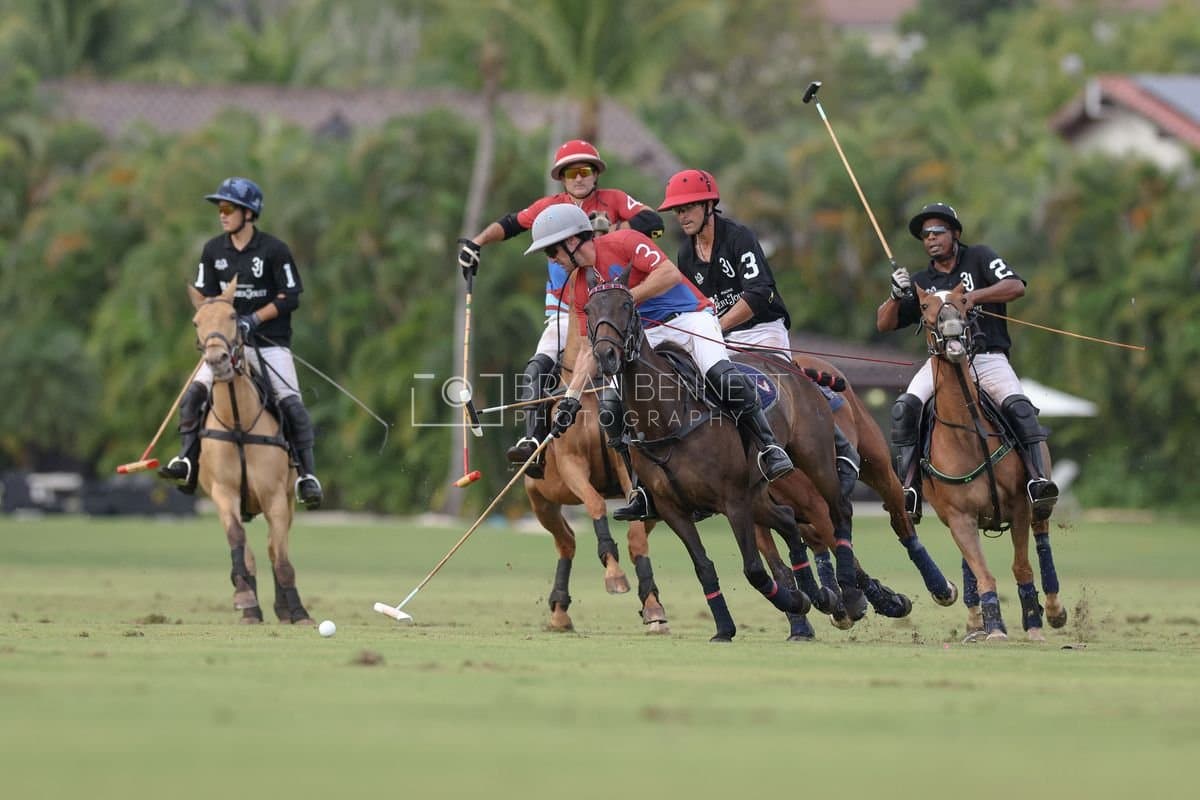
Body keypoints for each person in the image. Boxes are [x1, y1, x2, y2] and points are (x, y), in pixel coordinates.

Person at [524, 202, 794, 521]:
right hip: (644, 333)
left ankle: (768, 447)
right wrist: (570, 399)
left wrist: (623, 300)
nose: (552, 261)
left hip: (689, 318)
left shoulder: (624, 242)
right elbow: (588, 349)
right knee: (611, 409)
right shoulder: (580, 286)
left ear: (571, 242)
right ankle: (641, 490)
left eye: (551, 252)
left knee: (721, 375)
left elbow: (667, 274)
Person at [455, 140, 664, 477]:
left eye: (585, 171)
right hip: (565, 310)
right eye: (570, 172)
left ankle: (643, 456)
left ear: (595, 174)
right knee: (537, 367)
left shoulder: (614, 200)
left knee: (626, 376)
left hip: (610, 311)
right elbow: (510, 225)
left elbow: (654, 223)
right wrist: (476, 243)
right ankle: (532, 444)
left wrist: (613, 228)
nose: (578, 178)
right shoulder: (548, 207)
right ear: (562, 178)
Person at [657, 168, 861, 500]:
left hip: (761, 329)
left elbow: (758, 292)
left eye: (688, 207)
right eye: (677, 210)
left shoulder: (738, 237)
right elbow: (689, 305)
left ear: (709, 205)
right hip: (719, 337)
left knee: (783, 385)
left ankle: (839, 444)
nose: (681, 216)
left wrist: (714, 328)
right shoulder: (685, 254)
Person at [876, 201, 1058, 523]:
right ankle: (910, 488)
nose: (930, 238)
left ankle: (1037, 482)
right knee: (905, 408)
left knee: (1019, 407)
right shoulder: (921, 281)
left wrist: (972, 297)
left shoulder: (980, 258)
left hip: (986, 357)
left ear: (955, 233)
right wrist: (894, 296)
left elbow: (1015, 286)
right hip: (942, 365)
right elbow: (884, 324)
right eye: (925, 235)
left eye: (937, 231)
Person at [158, 177, 323, 510]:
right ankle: (187, 463)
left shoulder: (275, 250)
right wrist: (216, 324)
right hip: (225, 345)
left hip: (269, 343)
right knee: (193, 397)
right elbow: (205, 298)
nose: (222, 214)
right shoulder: (213, 250)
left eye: (228, 207)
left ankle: (306, 476)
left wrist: (254, 319)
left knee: (292, 405)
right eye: (220, 208)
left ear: (249, 213)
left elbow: (290, 296)